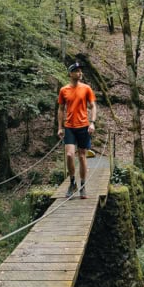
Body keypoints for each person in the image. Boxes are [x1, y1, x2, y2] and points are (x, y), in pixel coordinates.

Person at [57, 61, 97, 199]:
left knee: (81, 156)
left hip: (84, 126)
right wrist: (60, 127)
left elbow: (93, 106)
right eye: (77, 71)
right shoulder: (64, 90)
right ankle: (72, 182)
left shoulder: (86, 88)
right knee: (69, 155)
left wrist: (92, 123)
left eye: (81, 71)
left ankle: (83, 186)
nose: (80, 73)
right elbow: (61, 109)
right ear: (71, 73)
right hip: (69, 127)